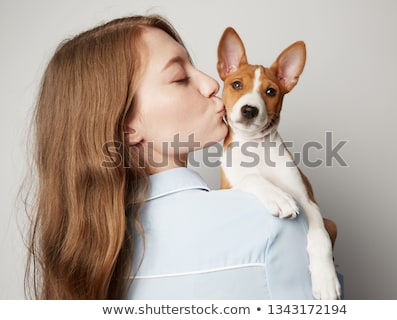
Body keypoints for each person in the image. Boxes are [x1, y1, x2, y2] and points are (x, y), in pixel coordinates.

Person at [26, 14, 337, 299]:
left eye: (194, 67)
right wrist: (317, 236)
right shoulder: (270, 221)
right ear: (127, 126)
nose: (213, 84)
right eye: (180, 77)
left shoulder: (89, 252)